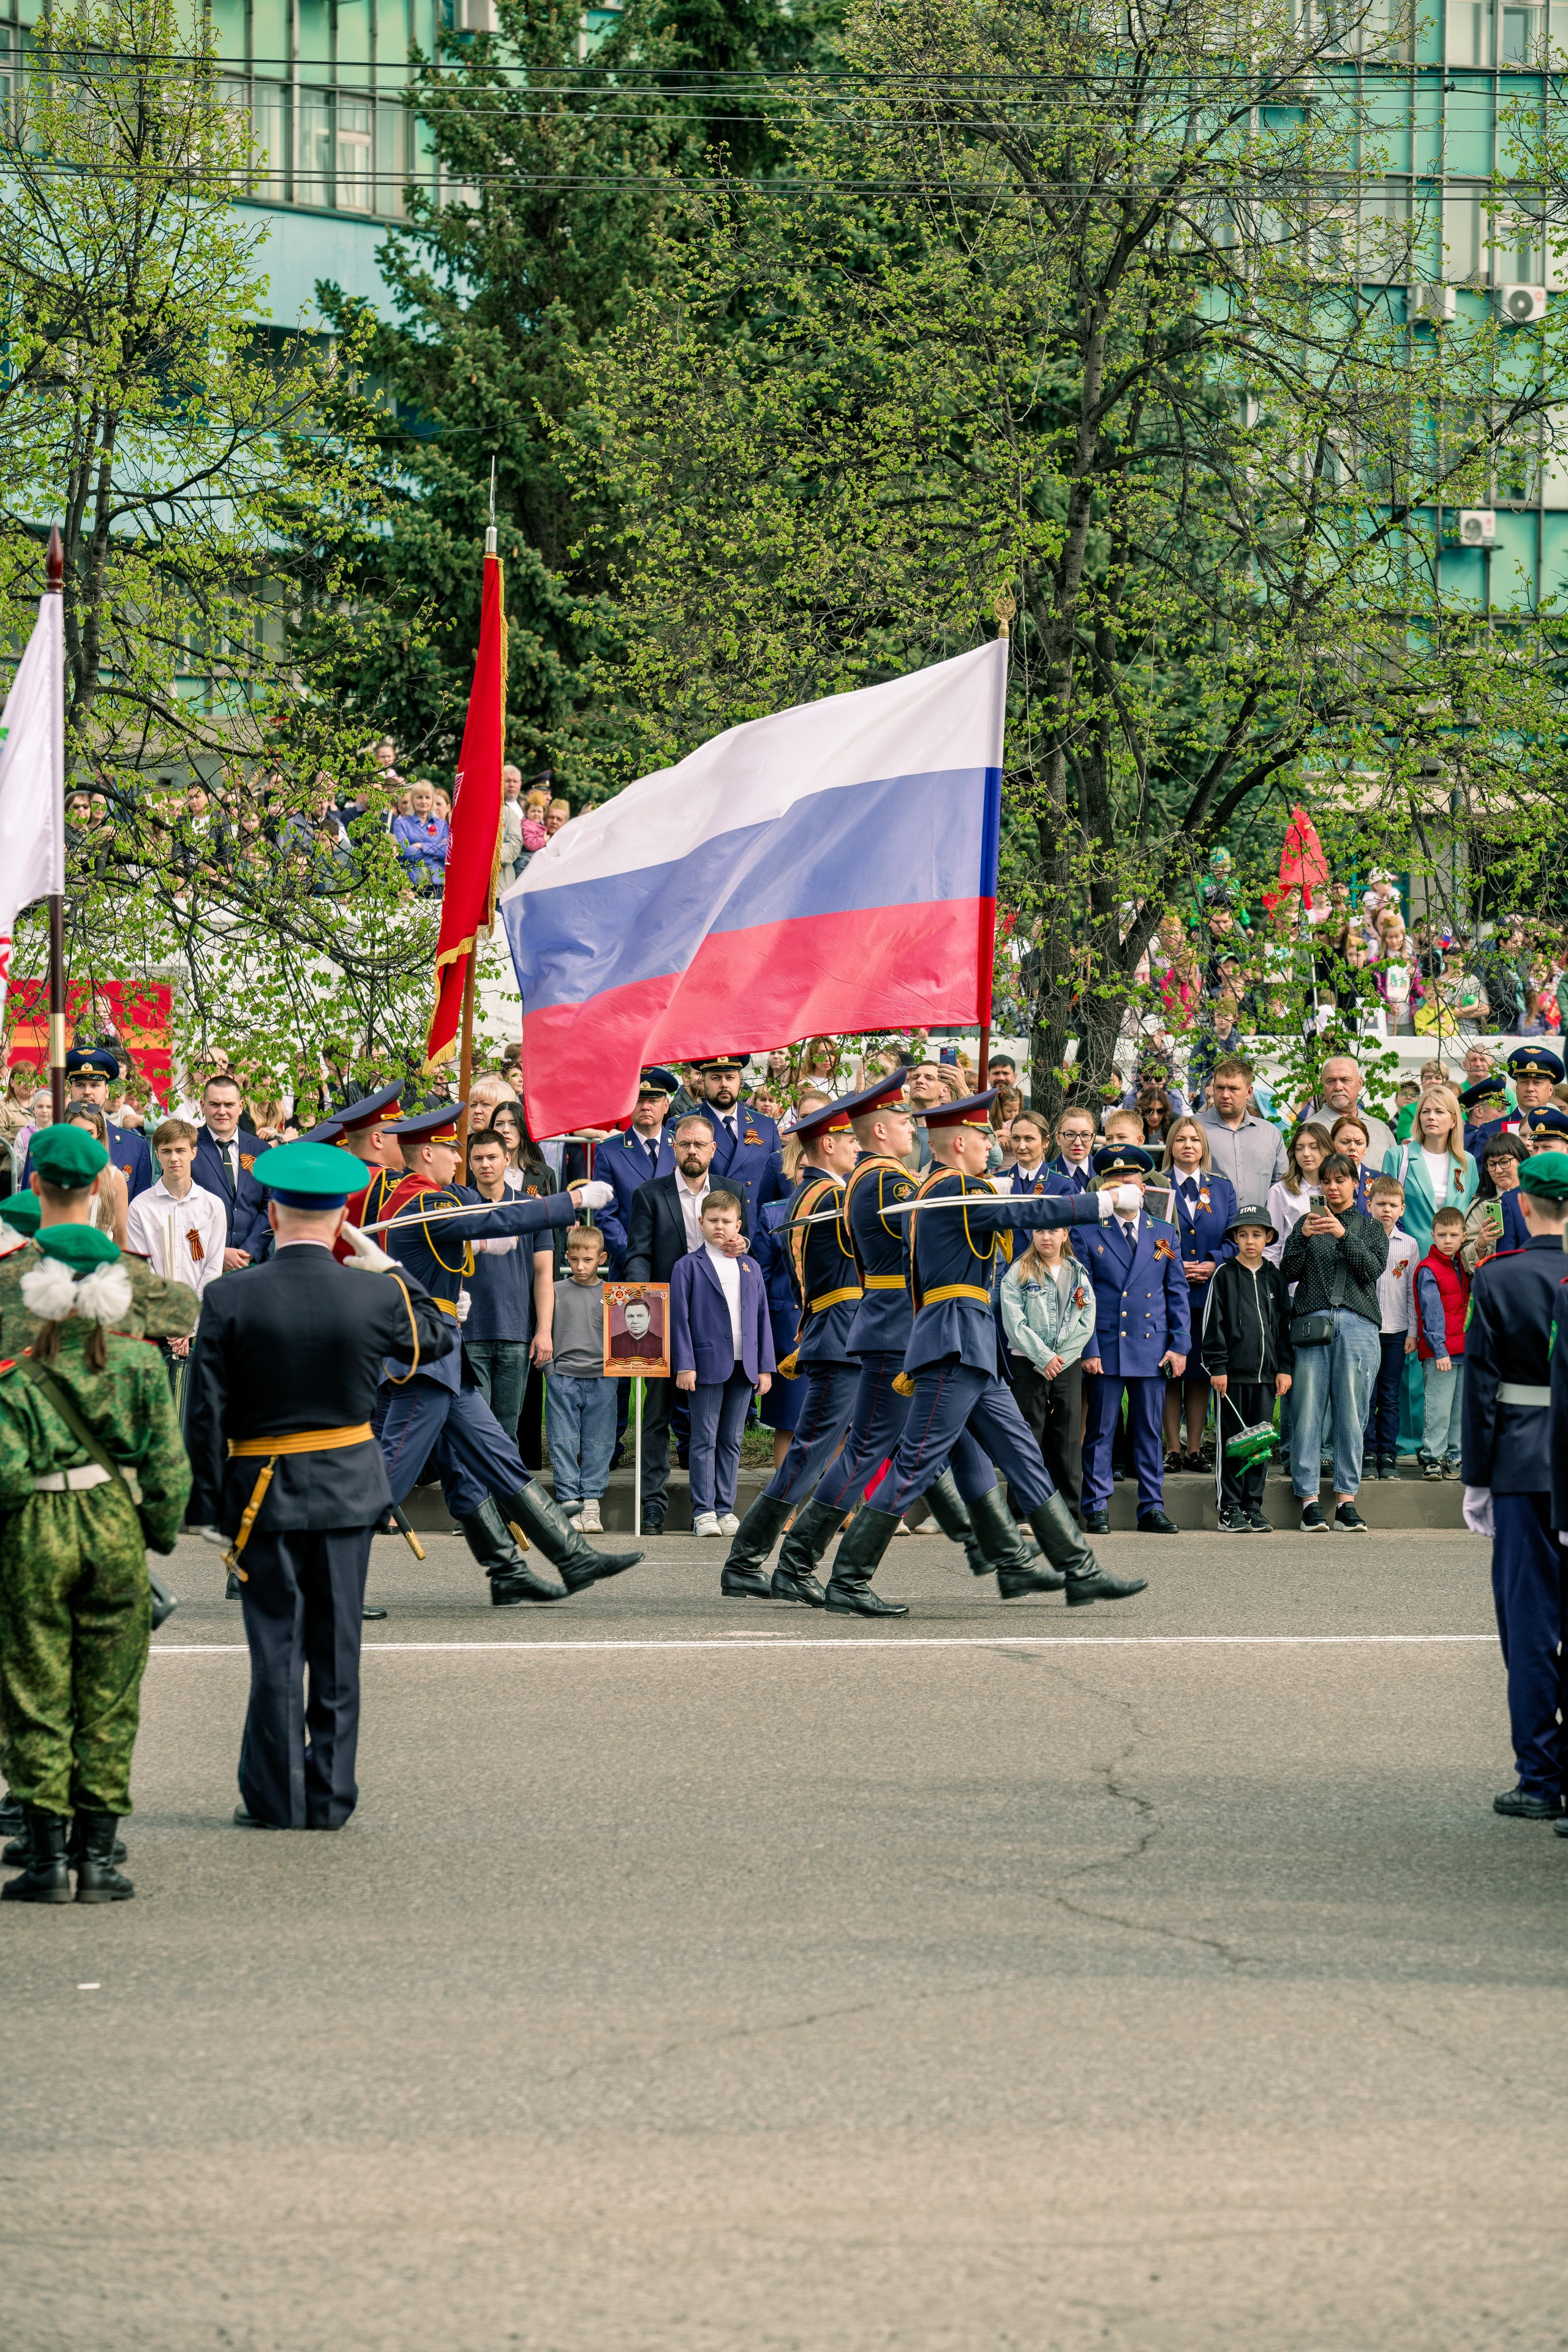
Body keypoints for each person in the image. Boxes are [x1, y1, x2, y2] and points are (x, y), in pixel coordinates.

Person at [183, 1140, 453, 1834]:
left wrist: (207, 1506)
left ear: (271, 1213)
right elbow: (438, 1337)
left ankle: (276, 1800)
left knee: (275, 1646)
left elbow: (204, 1411)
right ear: (342, 1220)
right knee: (337, 1648)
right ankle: (329, 1797)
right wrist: (392, 1268)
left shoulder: (228, 1294)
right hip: (348, 1489)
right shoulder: (373, 1292)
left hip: (257, 1493)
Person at [822, 1093, 1147, 1615]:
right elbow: (1028, 1210)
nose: (993, 1147)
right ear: (958, 1143)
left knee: (1023, 1456)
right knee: (916, 1463)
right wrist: (1106, 1203)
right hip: (953, 1343)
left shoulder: (947, 1190)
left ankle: (1079, 1570)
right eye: (983, 1138)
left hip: (972, 1343)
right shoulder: (951, 1189)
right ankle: (849, 1577)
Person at [373, 1106, 639, 1601]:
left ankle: (555, 1561)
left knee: (495, 1460)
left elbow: (482, 1226)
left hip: (444, 1355)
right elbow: (497, 1215)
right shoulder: (423, 1201)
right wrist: (570, 1200)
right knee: (385, 1476)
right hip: (423, 1360)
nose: (459, 1157)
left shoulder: (425, 1197)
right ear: (428, 1153)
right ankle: (307, 1574)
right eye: (453, 1149)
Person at [0, 1213, 190, 1902]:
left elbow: (5, 1475)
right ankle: (100, 1863)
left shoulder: (20, 1377)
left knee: (36, 1694)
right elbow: (171, 1474)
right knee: (110, 1699)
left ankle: (47, 1863)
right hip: (113, 1527)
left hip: (36, 1532)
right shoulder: (140, 1364)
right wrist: (153, 1533)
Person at [765, 1072, 1005, 1604]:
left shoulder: (875, 1180)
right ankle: (809, 1565)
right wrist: (978, 1196)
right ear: (880, 1133)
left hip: (884, 1326)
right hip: (893, 1326)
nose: (912, 1130)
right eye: (902, 1122)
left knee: (887, 1449)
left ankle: (986, 1542)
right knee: (867, 1452)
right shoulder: (889, 1182)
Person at [718, 1098, 862, 1591]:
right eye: (850, 1140)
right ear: (828, 1144)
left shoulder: (826, 1193)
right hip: (840, 1341)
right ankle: (760, 1564)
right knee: (811, 1452)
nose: (857, 1147)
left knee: (849, 1449)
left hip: (849, 1341)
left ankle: (790, 1563)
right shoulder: (827, 1197)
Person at [1465, 1151, 1568, 1820]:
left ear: (1522, 1206)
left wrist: (1476, 1479)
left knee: (1529, 1624)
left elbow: (1480, 1388)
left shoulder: (1499, 1278)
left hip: (1522, 1464)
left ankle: (1539, 1776)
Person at [625, 1112, 744, 1534]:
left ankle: (710, 1504)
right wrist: (641, 1302)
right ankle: (653, 1503)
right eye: (685, 1144)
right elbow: (638, 1252)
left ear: (714, 1149)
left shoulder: (731, 1192)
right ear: (674, 1148)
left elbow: (749, 1252)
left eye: (700, 1144)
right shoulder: (649, 1194)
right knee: (655, 1414)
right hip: (661, 1314)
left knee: (708, 1420)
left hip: (716, 1321)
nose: (692, 1151)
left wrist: (742, 1245)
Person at [1077, 1142, 1192, 1536]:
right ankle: (1095, 1506)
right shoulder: (1088, 1231)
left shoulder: (1163, 1233)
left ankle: (1152, 1507)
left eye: (1129, 1178)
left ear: (1144, 1185)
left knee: (1149, 1429)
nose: (1122, 1184)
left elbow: (1175, 1293)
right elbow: (1083, 1294)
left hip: (1151, 1345)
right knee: (1102, 1429)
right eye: (1113, 1178)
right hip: (1107, 1346)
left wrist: (1179, 1345)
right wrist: (1088, 1348)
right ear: (1103, 1187)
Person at [1280, 1150, 1388, 1532]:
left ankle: (1346, 1500)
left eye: (1341, 1180)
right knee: (1306, 1411)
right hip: (1312, 1323)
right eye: (1326, 1181)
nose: (1333, 1187)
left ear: (1356, 1185)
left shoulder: (1370, 1226)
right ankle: (1309, 1499)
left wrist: (1343, 1235)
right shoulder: (1304, 1223)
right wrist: (1302, 1237)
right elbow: (1287, 1273)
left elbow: (1373, 1270)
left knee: (1352, 1414)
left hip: (1359, 1325)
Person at [671, 1189, 774, 1537]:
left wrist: (765, 1366)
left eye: (727, 1221)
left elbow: (762, 1317)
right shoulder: (687, 1266)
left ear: (738, 1225)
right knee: (704, 1438)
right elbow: (679, 1319)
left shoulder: (751, 1266)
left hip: (744, 1366)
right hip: (705, 1364)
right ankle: (703, 1512)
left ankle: (725, 1508)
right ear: (700, 1223)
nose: (719, 1227)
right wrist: (685, 1364)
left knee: (732, 1439)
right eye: (713, 1221)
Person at [1199, 1207, 1294, 1534]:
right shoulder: (1224, 1275)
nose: (1249, 1241)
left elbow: (1283, 1327)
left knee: (1260, 1444)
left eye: (1256, 1234)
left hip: (1267, 1377)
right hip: (1232, 1377)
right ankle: (1229, 1508)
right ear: (1235, 1239)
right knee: (1234, 1442)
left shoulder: (1275, 1278)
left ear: (1268, 1237)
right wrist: (1218, 1366)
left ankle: (1253, 1506)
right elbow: (1214, 1325)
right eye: (1243, 1235)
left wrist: (1284, 1368)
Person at [123, 1117, 228, 1395]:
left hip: (199, 1322)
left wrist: (188, 1323)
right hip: (157, 1326)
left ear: (194, 1152)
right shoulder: (141, 1207)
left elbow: (213, 1267)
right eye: (166, 1151)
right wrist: (171, 1321)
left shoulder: (212, 1206)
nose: (174, 1159)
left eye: (181, 1151)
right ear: (156, 1154)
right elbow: (144, 1269)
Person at [461, 1126, 551, 1444]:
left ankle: (505, 1495)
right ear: (469, 1163)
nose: (486, 1164)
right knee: (476, 1432)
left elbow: (544, 1274)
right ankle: (478, 1496)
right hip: (469, 1332)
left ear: (507, 1158)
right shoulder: (459, 1206)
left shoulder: (530, 1209)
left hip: (516, 1332)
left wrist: (543, 1330)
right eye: (478, 1158)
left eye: (492, 1157)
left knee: (507, 1432)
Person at [1000, 1221, 1094, 1522]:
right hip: (1027, 1363)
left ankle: (1068, 1514)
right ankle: (1023, 1513)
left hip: (1065, 1366)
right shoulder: (1019, 1272)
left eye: (1054, 1231)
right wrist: (1043, 1356)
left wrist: (1061, 1358)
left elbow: (1086, 1320)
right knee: (1028, 1439)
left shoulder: (1077, 1272)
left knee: (1066, 1441)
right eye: (1040, 1231)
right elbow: (1014, 1322)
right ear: (1032, 1235)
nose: (1046, 1236)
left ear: (1065, 1235)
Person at [1161, 1115, 1237, 1473]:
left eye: (1194, 1139)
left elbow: (1235, 1240)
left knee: (1199, 1373)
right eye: (1180, 1139)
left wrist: (1213, 1263)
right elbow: (1148, 1235)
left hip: (1209, 1295)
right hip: (1165, 1295)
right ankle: (1172, 1449)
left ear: (1204, 1146)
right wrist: (1173, 1265)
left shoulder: (1221, 1188)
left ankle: (1194, 1449)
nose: (1188, 1145)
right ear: (1170, 1146)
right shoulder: (1156, 1186)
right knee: (1170, 1371)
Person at [545, 1224, 617, 1532]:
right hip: (563, 1377)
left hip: (603, 1378)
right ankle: (569, 1502)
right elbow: (543, 1328)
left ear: (601, 1258)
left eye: (588, 1260)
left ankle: (591, 1503)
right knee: (562, 1441)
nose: (580, 1266)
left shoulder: (615, 1296)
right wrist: (550, 1370)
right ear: (567, 1257)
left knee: (599, 1442)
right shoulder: (555, 1291)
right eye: (574, 1260)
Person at [594, 1066, 680, 1276]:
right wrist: (633, 1258)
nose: (646, 1107)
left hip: (678, 1267)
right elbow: (605, 1215)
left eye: (653, 1101)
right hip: (629, 1267)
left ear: (666, 1105)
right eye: (639, 1100)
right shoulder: (609, 1151)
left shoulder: (682, 1146)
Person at [682, 1056, 783, 1233]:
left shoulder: (765, 1125)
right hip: (707, 1232)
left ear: (739, 1080)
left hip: (756, 1232)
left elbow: (778, 1183)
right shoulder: (684, 1125)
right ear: (703, 1081)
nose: (724, 1084)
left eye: (730, 1077)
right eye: (716, 1078)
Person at [1362, 1174, 1417, 1482]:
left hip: (1396, 1330)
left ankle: (1388, 1454)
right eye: (1380, 1203)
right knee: (1366, 1395)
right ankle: (1368, 1452)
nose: (1386, 1209)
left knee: (1390, 1395)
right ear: (1368, 1206)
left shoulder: (1408, 1245)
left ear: (1402, 1210)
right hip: (1366, 1328)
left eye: (1392, 1205)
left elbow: (1411, 1291)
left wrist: (1411, 1331)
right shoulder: (1360, 1238)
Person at [193, 1072, 273, 1271]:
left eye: (229, 1104)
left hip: (253, 1264)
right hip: (202, 1266)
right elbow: (177, 1210)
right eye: (215, 1104)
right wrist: (216, 1254)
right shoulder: (187, 1148)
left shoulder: (261, 1150)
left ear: (241, 1106)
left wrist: (249, 1251)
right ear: (203, 1106)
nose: (222, 1111)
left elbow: (270, 1206)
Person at [1414, 1206, 1470, 1480]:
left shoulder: (1463, 1267)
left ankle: (1454, 1455)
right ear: (1433, 1235)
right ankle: (1432, 1456)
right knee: (1438, 1406)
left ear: (1463, 1236)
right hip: (1442, 1352)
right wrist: (1440, 1350)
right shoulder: (1429, 1269)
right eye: (1442, 1235)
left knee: (1459, 1408)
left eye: (1454, 1235)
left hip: (1464, 1349)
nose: (1448, 1240)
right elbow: (1432, 1311)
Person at [1197, 1057, 1288, 1203]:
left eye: (1233, 1089)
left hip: (1260, 1223)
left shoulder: (1270, 1133)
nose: (1225, 1095)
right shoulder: (1194, 1129)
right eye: (1220, 1088)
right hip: (1210, 1223)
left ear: (1249, 1092)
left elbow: (1281, 1187)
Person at [1302, 1055, 1397, 1166]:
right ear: (1323, 1085)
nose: (1338, 1087)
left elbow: (1397, 1176)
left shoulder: (1379, 1128)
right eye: (1331, 1081)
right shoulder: (1309, 1131)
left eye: (1345, 1080)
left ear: (1360, 1083)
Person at [1463, 1133, 1532, 1273]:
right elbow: (1465, 1261)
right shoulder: (1482, 1206)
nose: (1498, 1170)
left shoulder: (1539, 1197)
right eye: (1492, 1165)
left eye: (1505, 1162)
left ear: (1521, 1158)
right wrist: (1481, 1243)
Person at [62, 1104, 129, 1245]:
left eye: (89, 1133)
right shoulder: (53, 1173)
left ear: (98, 1134)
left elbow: (121, 1236)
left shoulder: (114, 1177)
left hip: (102, 1262)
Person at [392, 781, 449, 892]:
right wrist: (434, 854)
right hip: (412, 883)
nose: (424, 801)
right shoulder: (401, 823)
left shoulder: (442, 824)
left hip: (439, 883)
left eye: (428, 797)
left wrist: (420, 846)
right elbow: (404, 850)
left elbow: (446, 850)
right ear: (413, 800)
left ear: (432, 801)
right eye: (419, 797)